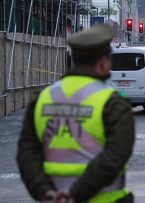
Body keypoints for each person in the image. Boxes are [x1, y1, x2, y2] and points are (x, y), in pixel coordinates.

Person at [17, 24, 135, 203]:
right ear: (103, 61)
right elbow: (115, 156)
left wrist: (44, 191)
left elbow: (27, 153)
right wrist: (76, 194)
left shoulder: (43, 98)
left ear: (73, 59)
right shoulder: (113, 102)